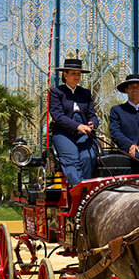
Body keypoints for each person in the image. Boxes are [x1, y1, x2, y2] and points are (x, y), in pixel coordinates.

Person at [48, 57, 100, 186]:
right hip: (63, 132)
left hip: (84, 131)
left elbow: (92, 115)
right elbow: (58, 116)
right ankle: (79, 190)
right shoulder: (56, 92)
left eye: (78, 74)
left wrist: (93, 123)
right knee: (72, 160)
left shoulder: (85, 93)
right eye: (73, 73)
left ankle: (87, 188)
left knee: (88, 157)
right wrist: (77, 126)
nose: (76, 77)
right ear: (65, 75)